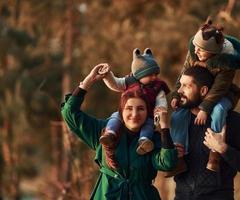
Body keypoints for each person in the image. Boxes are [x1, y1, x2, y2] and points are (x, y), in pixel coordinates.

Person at [60, 65, 177, 200]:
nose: (134, 114)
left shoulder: (153, 139)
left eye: (140, 109)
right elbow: (69, 113)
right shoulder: (103, 131)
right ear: (121, 111)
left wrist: (164, 128)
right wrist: (89, 80)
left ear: (148, 113)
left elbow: (167, 163)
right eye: (129, 108)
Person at [171, 20, 240, 172]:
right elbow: (183, 75)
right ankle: (179, 156)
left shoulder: (226, 62)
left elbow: (219, 88)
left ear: (214, 52)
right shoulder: (194, 52)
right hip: (185, 194)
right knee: (178, 114)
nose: (197, 51)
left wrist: (205, 109)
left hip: (223, 94)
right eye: (196, 47)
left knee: (219, 110)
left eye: (202, 50)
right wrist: (176, 94)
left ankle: (214, 152)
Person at [169, 67, 240, 200]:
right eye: (180, 85)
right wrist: (170, 154)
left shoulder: (233, 120)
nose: (180, 91)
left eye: (186, 86)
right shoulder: (177, 120)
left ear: (203, 91)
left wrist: (223, 149)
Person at [98, 48, 170, 163]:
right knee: (115, 117)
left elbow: (161, 101)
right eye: (150, 75)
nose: (154, 77)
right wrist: (107, 76)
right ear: (139, 74)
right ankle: (110, 134)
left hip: (147, 116)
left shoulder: (157, 87)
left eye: (156, 74)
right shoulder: (129, 81)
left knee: (149, 125)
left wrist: (160, 111)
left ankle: (144, 142)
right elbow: (115, 84)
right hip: (125, 113)